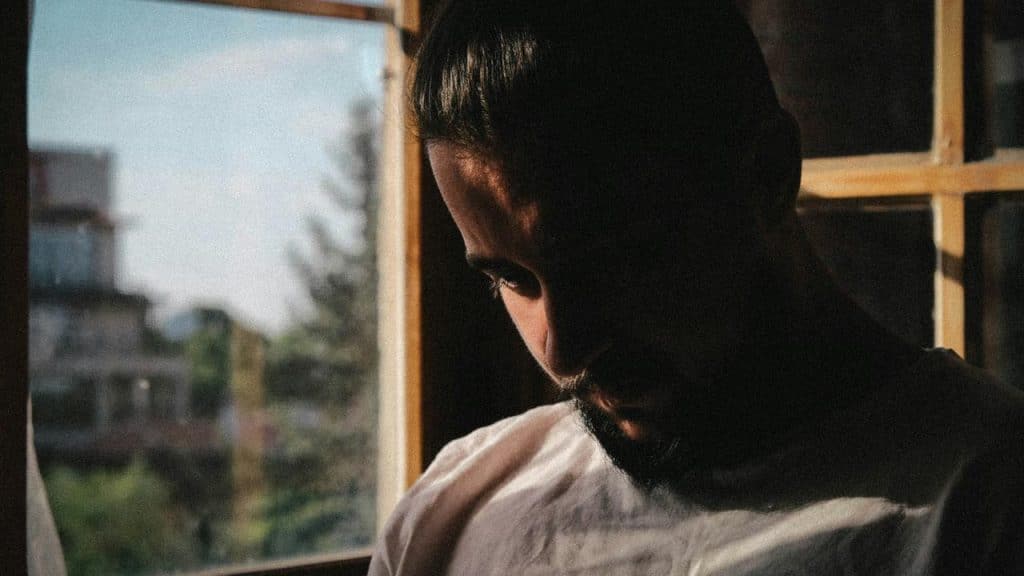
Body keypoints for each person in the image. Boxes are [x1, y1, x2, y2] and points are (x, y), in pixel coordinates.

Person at [369, 1, 1024, 574]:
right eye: (513, 277)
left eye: (605, 262)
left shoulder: (989, 504)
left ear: (767, 175)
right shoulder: (451, 512)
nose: (562, 351)